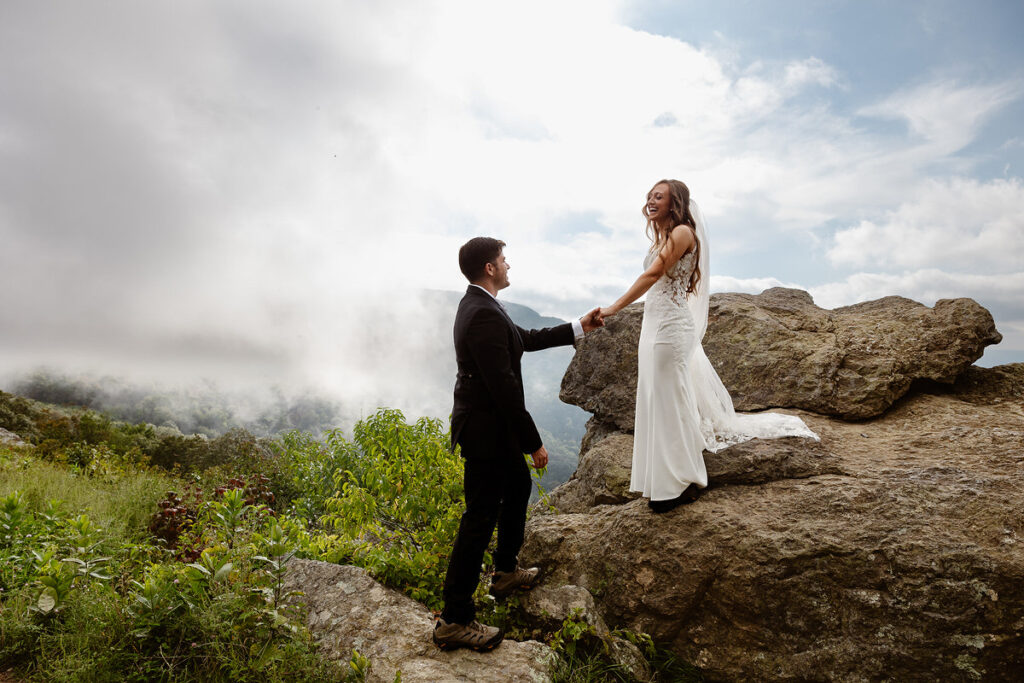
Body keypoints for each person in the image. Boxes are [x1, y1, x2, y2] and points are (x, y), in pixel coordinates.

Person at [600, 180, 817, 514]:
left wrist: (614, 308)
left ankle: (680, 480)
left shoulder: (683, 232)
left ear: (676, 203)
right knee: (657, 398)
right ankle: (661, 479)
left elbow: (655, 274)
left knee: (669, 400)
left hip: (669, 330)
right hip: (655, 326)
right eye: (649, 196)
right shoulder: (666, 236)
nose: (651, 200)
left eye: (659, 196)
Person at [433, 237, 604, 652]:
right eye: (503, 260)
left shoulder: (484, 305)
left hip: (493, 427)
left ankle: (505, 572)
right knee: (478, 520)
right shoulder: (481, 313)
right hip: (486, 430)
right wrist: (533, 442)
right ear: (489, 268)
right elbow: (504, 388)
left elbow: (523, 338)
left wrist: (578, 327)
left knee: (518, 488)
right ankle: (454, 620)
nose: (509, 265)